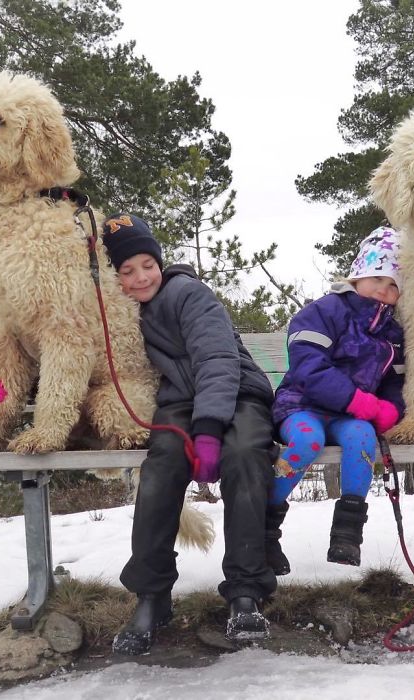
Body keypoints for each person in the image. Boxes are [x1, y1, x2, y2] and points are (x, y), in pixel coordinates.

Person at [100, 213, 278, 655]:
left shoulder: (187, 293)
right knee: (161, 466)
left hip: (237, 393)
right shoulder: (120, 313)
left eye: (147, 264)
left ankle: (245, 591)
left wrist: (210, 430)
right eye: (126, 270)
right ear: (112, 276)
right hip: (179, 404)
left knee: (244, 454)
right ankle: (152, 595)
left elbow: (218, 359)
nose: (141, 277)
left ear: (160, 261)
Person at [266, 228, 405, 575]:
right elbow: (309, 367)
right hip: (302, 405)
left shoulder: (393, 333)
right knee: (306, 441)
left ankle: (347, 533)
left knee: (363, 440)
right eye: (377, 278)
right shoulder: (325, 311)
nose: (384, 291)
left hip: (350, 417)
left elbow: (395, 380)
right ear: (358, 273)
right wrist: (357, 400)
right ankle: (264, 529)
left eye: (394, 285)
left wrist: (392, 407)